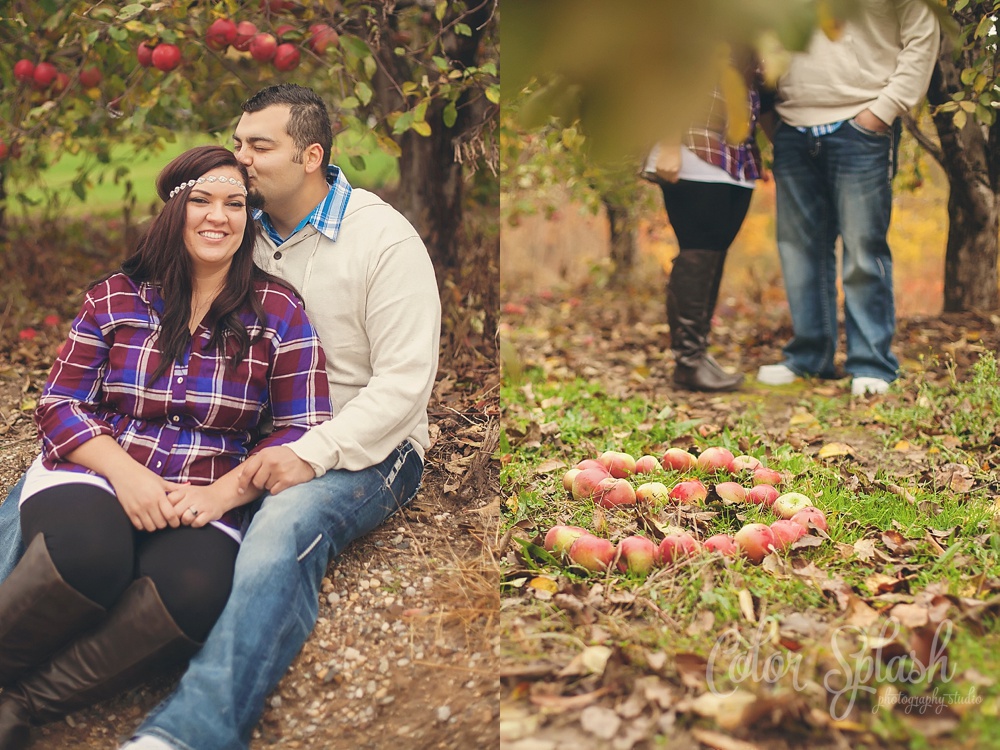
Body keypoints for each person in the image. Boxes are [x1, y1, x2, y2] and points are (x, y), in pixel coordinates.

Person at [0, 145, 333, 749]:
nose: (219, 216)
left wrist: (223, 493)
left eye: (236, 204)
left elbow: (304, 424)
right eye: (202, 200)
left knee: (195, 592)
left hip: (203, 488)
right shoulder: (118, 296)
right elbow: (59, 403)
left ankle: (21, 704)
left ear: (248, 220)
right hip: (101, 467)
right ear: (174, 209)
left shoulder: (278, 310)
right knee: (90, 556)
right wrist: (128, 477)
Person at [755, 0, 940, 396]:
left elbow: (922, 33)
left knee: (863, 246)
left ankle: (872, 364)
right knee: (799, 250)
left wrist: (882, 111)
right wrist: (773, 122)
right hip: (792, 124)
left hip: (862, 122)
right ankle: (809, 357)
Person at [641, 48, 763, 391]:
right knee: (698, 249)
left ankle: (698, 353)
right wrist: (667, 143)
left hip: (737, 155)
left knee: (714, 252)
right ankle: (687, 363)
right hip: (693, 145)